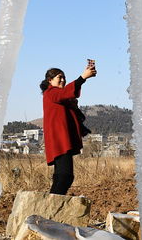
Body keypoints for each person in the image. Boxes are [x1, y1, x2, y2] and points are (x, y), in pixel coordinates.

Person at [39, 65, 97, 195]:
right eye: (59, 77)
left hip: (62, 142)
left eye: (64, 77)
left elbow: (68, 96)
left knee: (62, 176)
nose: (63, 80)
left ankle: (51, 208)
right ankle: (51, 207)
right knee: (65, 177)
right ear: (50, 80)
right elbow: (65, 93)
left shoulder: (59, 97)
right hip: (59, 142)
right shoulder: (50, 93)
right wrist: (83, 77)